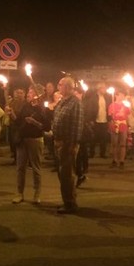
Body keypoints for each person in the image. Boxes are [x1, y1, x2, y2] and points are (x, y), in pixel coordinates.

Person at [8, 84, 49, 204]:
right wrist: (12, 115)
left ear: (37, 94)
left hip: (35, 140)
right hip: (22, 139)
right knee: (20, 168)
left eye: (30, 93)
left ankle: (37, 193)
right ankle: (19, 192)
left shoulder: (42, 108)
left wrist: (35, 122)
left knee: (36, 168)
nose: (28, 95)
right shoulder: (26, 106)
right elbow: (19, 121)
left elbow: (47, 127)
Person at [51, 77, 84, 214]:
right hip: (59, 142)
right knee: (62, 174)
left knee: (67, 174)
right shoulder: (62, 102)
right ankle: (67, 200)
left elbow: (77, 125)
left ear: (69, 87)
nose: (58, 86)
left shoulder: (75, 103)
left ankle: (70, 204)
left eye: (61, 84)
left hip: (67, 143)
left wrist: (72, 144)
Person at [85, 82, 111, 158]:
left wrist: (109, 119)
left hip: (104, 120)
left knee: (104, 138)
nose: (105, 90)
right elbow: (90, 109)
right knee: (93, 138)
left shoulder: (107, 98)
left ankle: (102, 153)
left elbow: (109, 109)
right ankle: (91, 153)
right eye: (103, 88)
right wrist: (91, 120)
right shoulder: (93, 98)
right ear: (99, 89)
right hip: (96, 120)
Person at [108, 89, 131, 168]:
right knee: (114, 144)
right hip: (115, 125)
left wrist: (128, 126)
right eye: (120, 95)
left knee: (123, 144)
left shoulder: (126, 105)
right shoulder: (112, 105)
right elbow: (110, 116)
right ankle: (114, 160)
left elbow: (127, 116)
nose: (122, 96)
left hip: (123, 125)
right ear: (116, 95)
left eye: (123, 95)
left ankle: (121, 161)